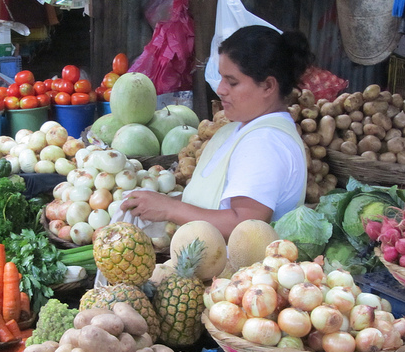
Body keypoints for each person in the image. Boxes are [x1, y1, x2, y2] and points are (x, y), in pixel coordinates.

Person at [119, 25, 314, 239]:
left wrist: (169, 209)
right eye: (221, 78)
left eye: (232, 82)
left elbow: (244, 226)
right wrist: (162, 204)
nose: (220, 89)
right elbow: (220, 205)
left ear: (268, 86)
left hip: (235, 270)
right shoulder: (249, 129)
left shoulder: (264, 142)